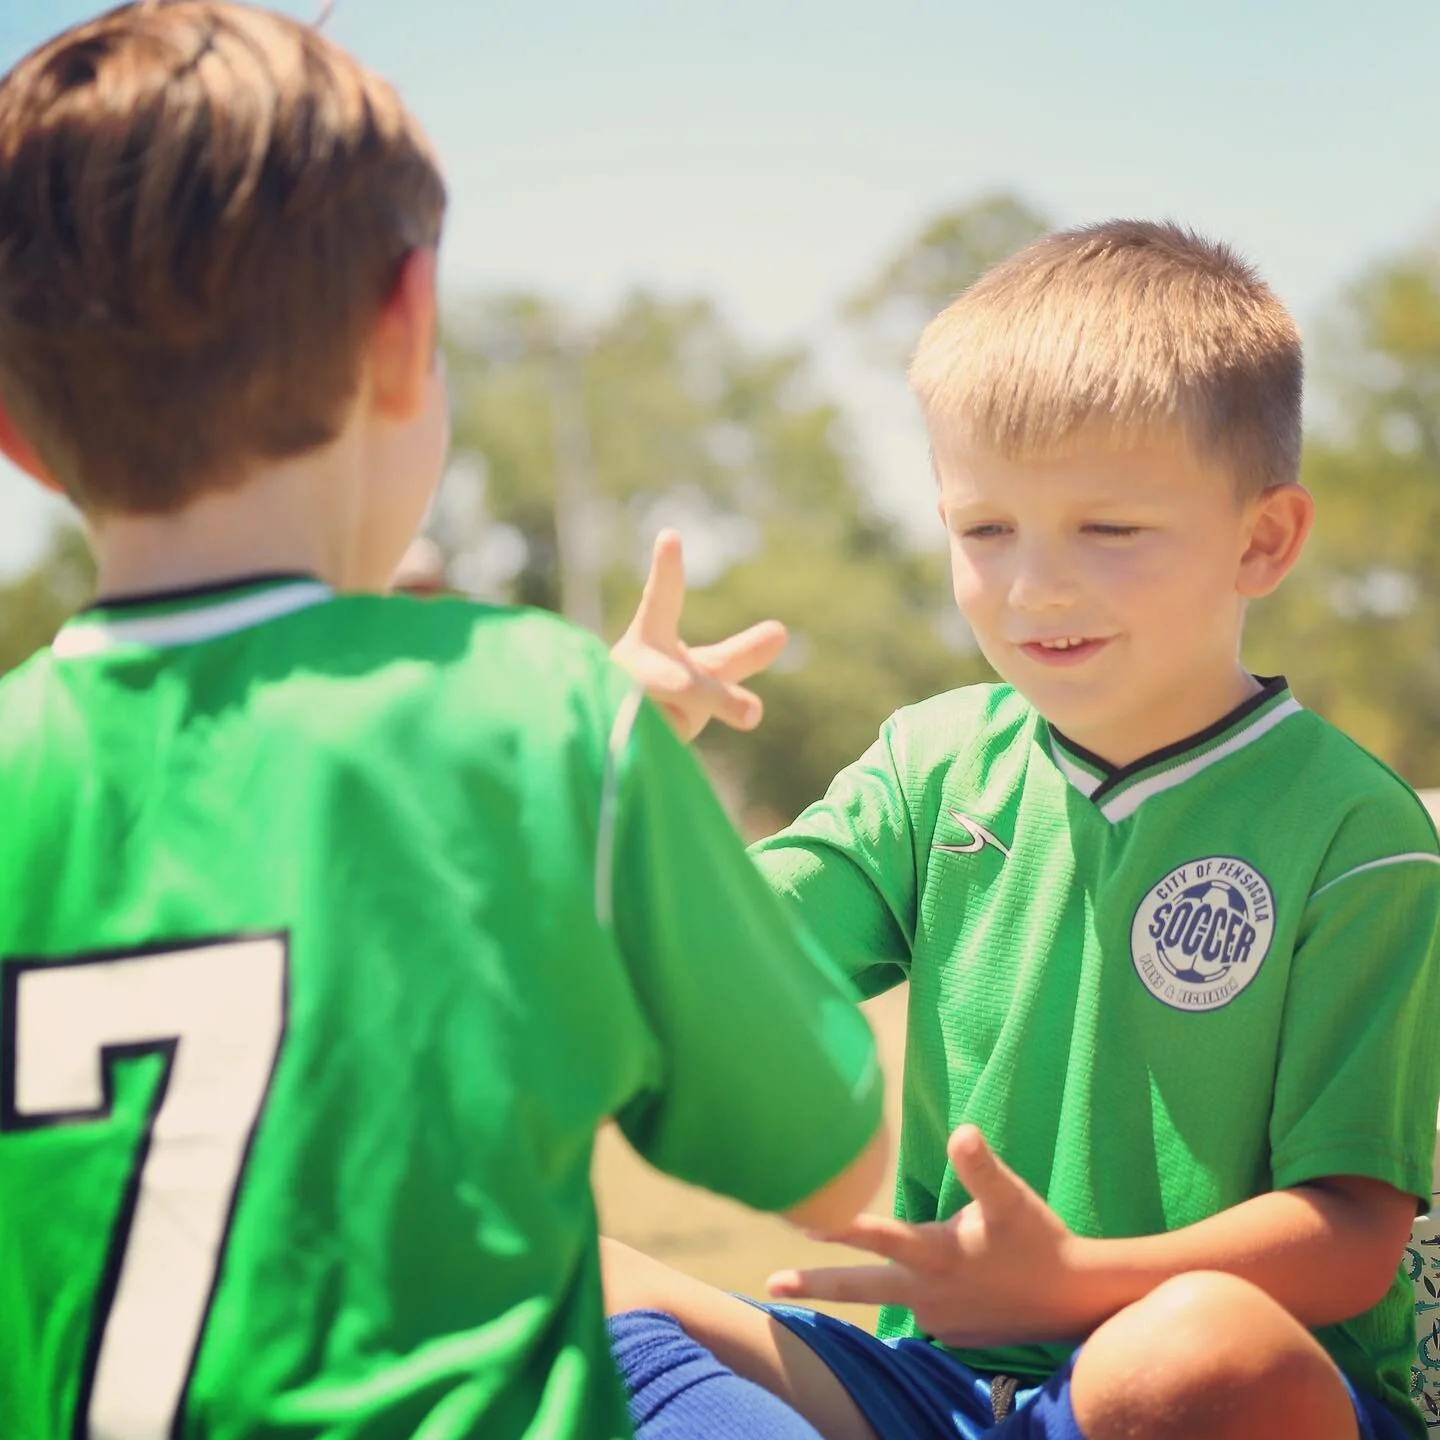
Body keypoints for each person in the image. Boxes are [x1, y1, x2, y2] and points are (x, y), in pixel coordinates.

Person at [0, 6, 887, 1437]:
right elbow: (833, 1159)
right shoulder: (541, 720)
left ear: (14, 431)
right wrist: (593, 761)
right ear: (407, 327)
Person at [605, 221, 1440, 1440]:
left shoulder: (1356, 830)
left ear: (1263, 539)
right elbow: (698, 969)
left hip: (1226, 1381)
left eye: (1108, 530)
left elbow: (1354, 1237)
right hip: (937, 1384)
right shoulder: (929, 763)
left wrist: (1063, 1287)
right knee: (553, 1278)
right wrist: (609, 764)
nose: (1035, 584)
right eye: (984, 529)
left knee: (1181, 1358)